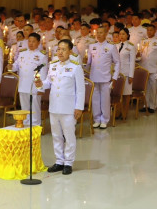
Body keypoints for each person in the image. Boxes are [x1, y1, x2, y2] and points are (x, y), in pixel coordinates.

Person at [35, 39, 85, 175]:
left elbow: (80, 90)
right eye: (58, 49)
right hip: (54, 107)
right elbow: (48, 83)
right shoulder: (53, 65)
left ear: (70, 51)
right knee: (56, 135)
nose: (60, 52)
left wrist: (79, 107)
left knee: (69, 136)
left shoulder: (76, 67)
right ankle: (59, 161)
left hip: (68, 108)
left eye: (63, 49)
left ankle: (68, 162)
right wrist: (40, 83)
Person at [86, 26, 120, 129]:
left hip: (105, 77)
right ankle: (96, 119)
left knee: (105, 99)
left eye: (101, 32)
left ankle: (105, 119)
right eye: (97, 33)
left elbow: (117, 62)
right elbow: (89, 63)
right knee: (95, 99)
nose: (99, 34)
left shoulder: (111, 46)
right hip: (94, 77)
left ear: (106, 34)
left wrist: (114, 77)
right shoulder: (92, 46)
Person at [11, 33, 48, 126]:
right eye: (29, 41)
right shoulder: (22, 53)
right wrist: (11, 66)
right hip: (23, 85)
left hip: (34, 86)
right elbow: (16, 66)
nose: (31, 43)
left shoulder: (41, 55)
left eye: (33, 41)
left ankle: (35, 127)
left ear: (38, 42)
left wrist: (41, 88)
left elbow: (43, 72)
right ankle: (26, 127)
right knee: (25, 108)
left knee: (34, 109)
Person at [138, 24, 157, 113]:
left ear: (154, 31)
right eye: (148, 30)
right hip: (144, 68)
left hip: (154, 68)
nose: (149, 32)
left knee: (153, 87)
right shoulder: (143, 41)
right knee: (145, 88)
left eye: (151, 30)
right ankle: (146, 105)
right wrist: (137, 56)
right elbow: (140, 56)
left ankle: (152, 106)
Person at [117, 28, 136, 120]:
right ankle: (118, 112)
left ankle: (125, 113)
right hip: (117, 74)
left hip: (126, 73)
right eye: (120, 34)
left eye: (123, 34)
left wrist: (131, 75)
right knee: (118, 94)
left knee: (126, 94)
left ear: (127, 35)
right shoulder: (116, 46)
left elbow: (132, 62)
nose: (121, 36)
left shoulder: (131, 46)